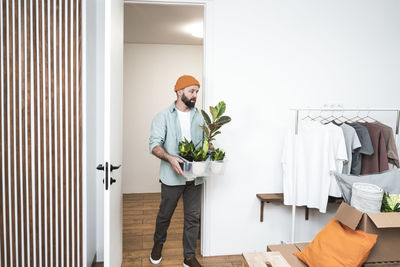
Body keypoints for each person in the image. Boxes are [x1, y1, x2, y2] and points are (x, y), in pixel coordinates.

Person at [149, 75, 205, 267]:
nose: (195, 95)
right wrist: (170, 158)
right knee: (165, 214)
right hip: (172, 178)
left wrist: (210, 151)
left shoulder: (200, 116)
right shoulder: (163, 116)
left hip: (195, 177)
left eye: (197, 91)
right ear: (179, 91)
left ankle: (189, 257)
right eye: (192, 91)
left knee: (193, 217)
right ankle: (158, 244)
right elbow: (154, 145)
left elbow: (205, 143)